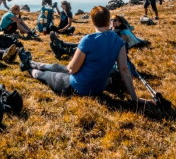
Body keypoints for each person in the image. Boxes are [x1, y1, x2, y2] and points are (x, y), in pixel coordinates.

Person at [20, 6, 150, 105]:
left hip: (78, 87)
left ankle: (28, 66)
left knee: (45, 75)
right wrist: (135, 98)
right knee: (57, 67)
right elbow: (124, 69)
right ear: (107, 20)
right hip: (98, 86)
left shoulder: (88, 40)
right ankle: (31, 62)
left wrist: (72, 60)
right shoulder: (119, 42)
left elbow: (72, 69)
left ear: (92, 21)